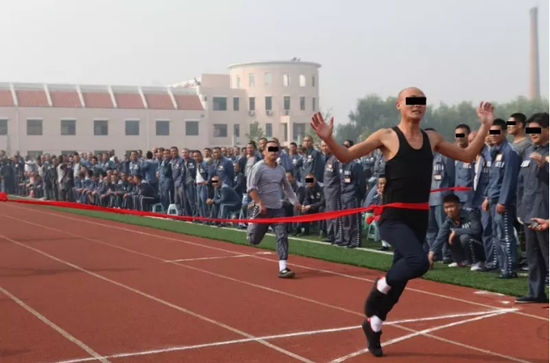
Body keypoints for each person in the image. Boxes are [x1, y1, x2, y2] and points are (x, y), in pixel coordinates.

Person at [310, 87, 494, 357]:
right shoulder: (386, 136)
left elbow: (467, 156)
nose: (417, 106)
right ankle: (380, 286)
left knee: (403, 277)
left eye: (421, 102)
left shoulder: (432, 138)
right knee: (418, 262)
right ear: (399, 105)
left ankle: (374, 324)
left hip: (418, 217)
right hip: (393, 217)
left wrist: (485, 126)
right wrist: (330, 139)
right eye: (411, 101)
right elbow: (347, 156)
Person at [246, 139, 302, 278]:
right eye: (270, 149)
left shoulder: (281, 170)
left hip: (277, 209)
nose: (273, 152)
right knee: (254, 240)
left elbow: (287, 188)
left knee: (282, 235)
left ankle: (283, 268)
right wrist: (259, 203)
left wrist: (296, 202)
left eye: (276, 149)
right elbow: (251, 189)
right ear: (264, 151)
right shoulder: (258, 167)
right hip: (261, 209)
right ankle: (251, 224)